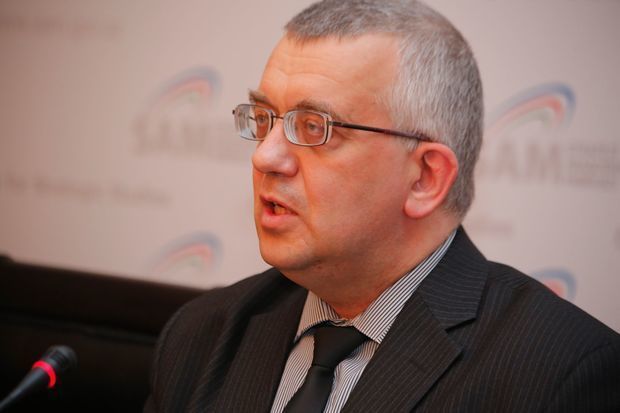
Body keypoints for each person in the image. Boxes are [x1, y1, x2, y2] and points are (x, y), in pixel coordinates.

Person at [144, 1, 620, 412]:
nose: (265, 157)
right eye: (266, 118)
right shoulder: (201, 336)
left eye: (315, 128)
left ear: (425, 178)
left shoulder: (559, 375)